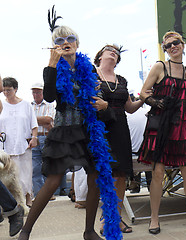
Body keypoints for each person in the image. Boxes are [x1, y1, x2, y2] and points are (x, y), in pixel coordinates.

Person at [18, 22, 117, 240]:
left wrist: (102, 103)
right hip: (64, 130)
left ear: (77, 42)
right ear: (54, 47)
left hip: (88, 129)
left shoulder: (88, 67)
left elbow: (96, 94)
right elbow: (51, 96)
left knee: (95, 177)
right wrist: (51, 66)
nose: (65, 43)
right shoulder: (53, 68)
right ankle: (25, 231)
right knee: (53, 181)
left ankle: (89, 231)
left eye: (69, 38)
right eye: (59, 41)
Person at [138, 31, 186, 234]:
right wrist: (155, 101)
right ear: (165, 49)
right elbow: (143, 92)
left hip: (180, 124)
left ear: (183, 45)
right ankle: (154, 218)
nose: (173, 47)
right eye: (168, 45)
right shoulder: (160, 66)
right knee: (158, 172)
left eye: (176, 43)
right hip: (159, 123)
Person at [92, 44, 145, 234]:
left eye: (117, 51)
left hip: (121, 128)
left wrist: (144, 99)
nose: (114, 52)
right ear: (100, 55)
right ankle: (106, 218)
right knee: (105, 173)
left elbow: (129, 107)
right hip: (100, 128)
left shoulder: (121, 80)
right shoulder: (91, 74)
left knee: (121, 173)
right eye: (109, 49)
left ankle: (116, 217)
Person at [0, 77, 38, 208]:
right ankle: (11, 202)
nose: (6, 93)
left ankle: (27, 197)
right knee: (7, 175)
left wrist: (34, 137)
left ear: (16, 89)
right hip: (5, 146)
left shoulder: (26, 105)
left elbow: (34, 124)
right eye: (4, 90)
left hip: (23, 144)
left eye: (9, 90)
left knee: (25, 173)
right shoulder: (1, 104)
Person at [30, 83, 56, 198]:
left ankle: (49, 193)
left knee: (48, 166)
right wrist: (41, 121)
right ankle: (39, 194)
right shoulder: (29, 105)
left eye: (38, 92)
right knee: (35, 168)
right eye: (34, 92)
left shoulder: (50, 104)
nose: (36, 94)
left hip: (46, 137)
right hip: (34, 137)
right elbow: (44, 121)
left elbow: (48, 119)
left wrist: (33, 120)